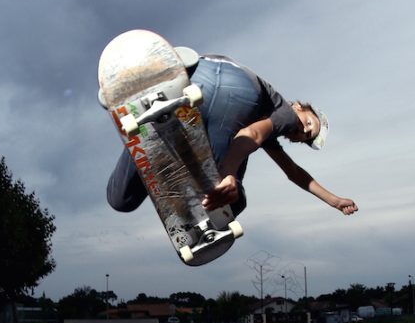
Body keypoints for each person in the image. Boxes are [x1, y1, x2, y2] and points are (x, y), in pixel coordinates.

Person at [106, 50, 358, 219]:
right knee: (232, 199)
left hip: (199, 72)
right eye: (309, 125)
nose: (302, 133)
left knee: (121, 200)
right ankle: (212, 207)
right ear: (299, 107)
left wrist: (334, 201)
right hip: (240, 89)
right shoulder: (284, 113)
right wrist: (228, 176)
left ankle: (149, 115)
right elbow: (251, 135)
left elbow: (294, 172)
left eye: (305, 139)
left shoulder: (273, 123)